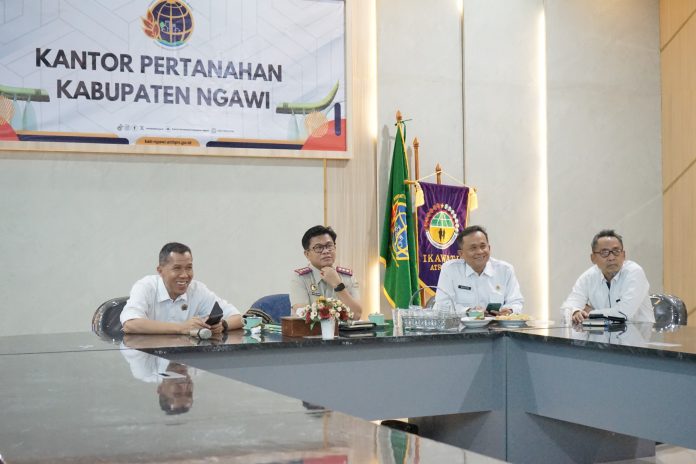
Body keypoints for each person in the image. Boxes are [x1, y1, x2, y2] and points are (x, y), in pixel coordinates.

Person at [121, 242, 243, 335]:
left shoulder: (197, 290)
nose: (185, 275)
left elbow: (238, 318)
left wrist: (223, 325)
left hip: (186, 356)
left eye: (189, 267)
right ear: (160, 271)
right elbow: (130, 324)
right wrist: (182, 328)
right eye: (177, 268)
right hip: (149, 355)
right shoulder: (145, 286)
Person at [561, 229, 654, 324]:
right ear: (593, 258)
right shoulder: (588, 277)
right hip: (602, 333)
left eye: (616, 251)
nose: (611, 258)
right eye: (604, 252)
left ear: (623, 255)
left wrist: (590, 313)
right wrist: (575, 312)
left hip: (638, 332)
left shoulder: (634, 272)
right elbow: (568, 307)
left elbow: (623, 314)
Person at [435, 225, 524, 315]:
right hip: (461, 323)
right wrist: (469, 312)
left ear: (489, 248)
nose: (480, 252)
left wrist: (510, 310)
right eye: (473, 248)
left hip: (496, 323)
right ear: (461, 254)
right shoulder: (450, 270)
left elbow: (516, 301)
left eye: (483, 246)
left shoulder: (505, 270)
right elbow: (442, 305)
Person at [289, 225, 363, 319]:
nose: (326, 251)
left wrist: (338, 285)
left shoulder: (347, 277)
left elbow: (357, 315)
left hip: (343, 329)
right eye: (318, 248)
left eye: (329, 246)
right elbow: (304, 315)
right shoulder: (300, 278)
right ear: (307, 254)